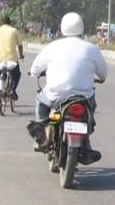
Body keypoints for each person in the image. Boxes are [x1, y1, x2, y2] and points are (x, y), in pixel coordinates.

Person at [27, 12, 107, 160]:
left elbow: (36, 67)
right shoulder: (91, 49)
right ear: (81, 27)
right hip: (83, 97)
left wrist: (33, 72)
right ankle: (86, 137)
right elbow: (102, 74)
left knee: (41, 102)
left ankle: (43, 134)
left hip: (55, 95)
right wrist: (99, 78)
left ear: (63, 28)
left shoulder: (52, 47)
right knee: (90, 110)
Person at [0, 12, 23, 101]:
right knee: (16, 74)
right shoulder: (14, 30)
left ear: (1, 23)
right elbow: (20, 45)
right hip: (12, 59)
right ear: (10, 22)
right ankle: (12, 89)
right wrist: (21, 55)